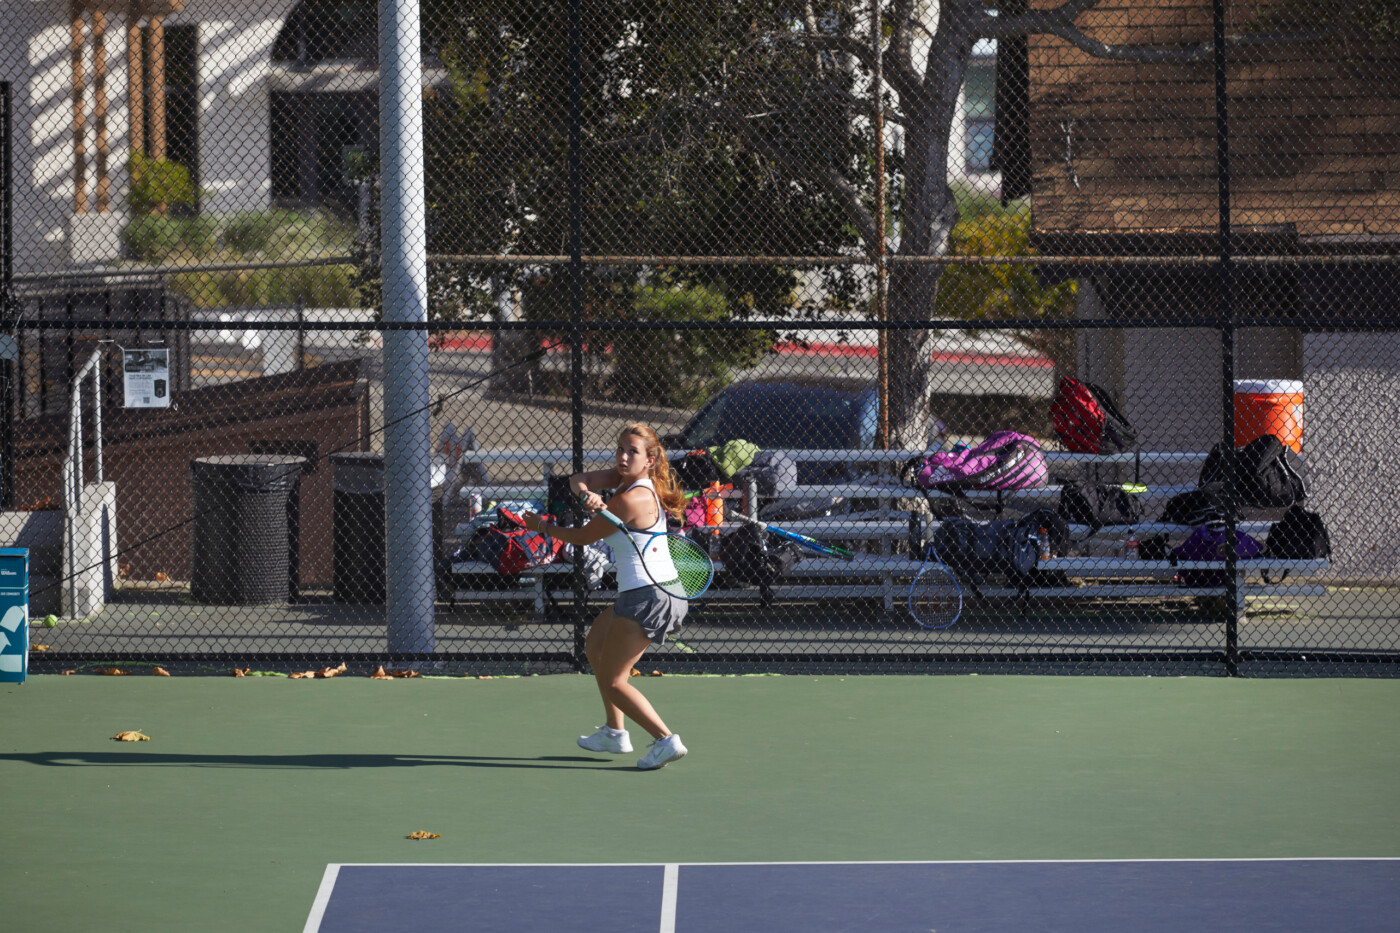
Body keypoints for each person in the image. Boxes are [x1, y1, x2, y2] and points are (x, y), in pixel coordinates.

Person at [521, 423, 690, 771]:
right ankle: (615, 733)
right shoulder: (623, 481)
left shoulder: (631, 497)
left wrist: (542, 527)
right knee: (594, 646)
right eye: (620, 449)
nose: (624, 457)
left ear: (650, 459)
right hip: (645, 590)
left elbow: (582, 538)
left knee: (615, 680)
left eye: (632, 451)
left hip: (649, 595)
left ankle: (665, 740)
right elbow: (577, 478)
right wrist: (587, 495)